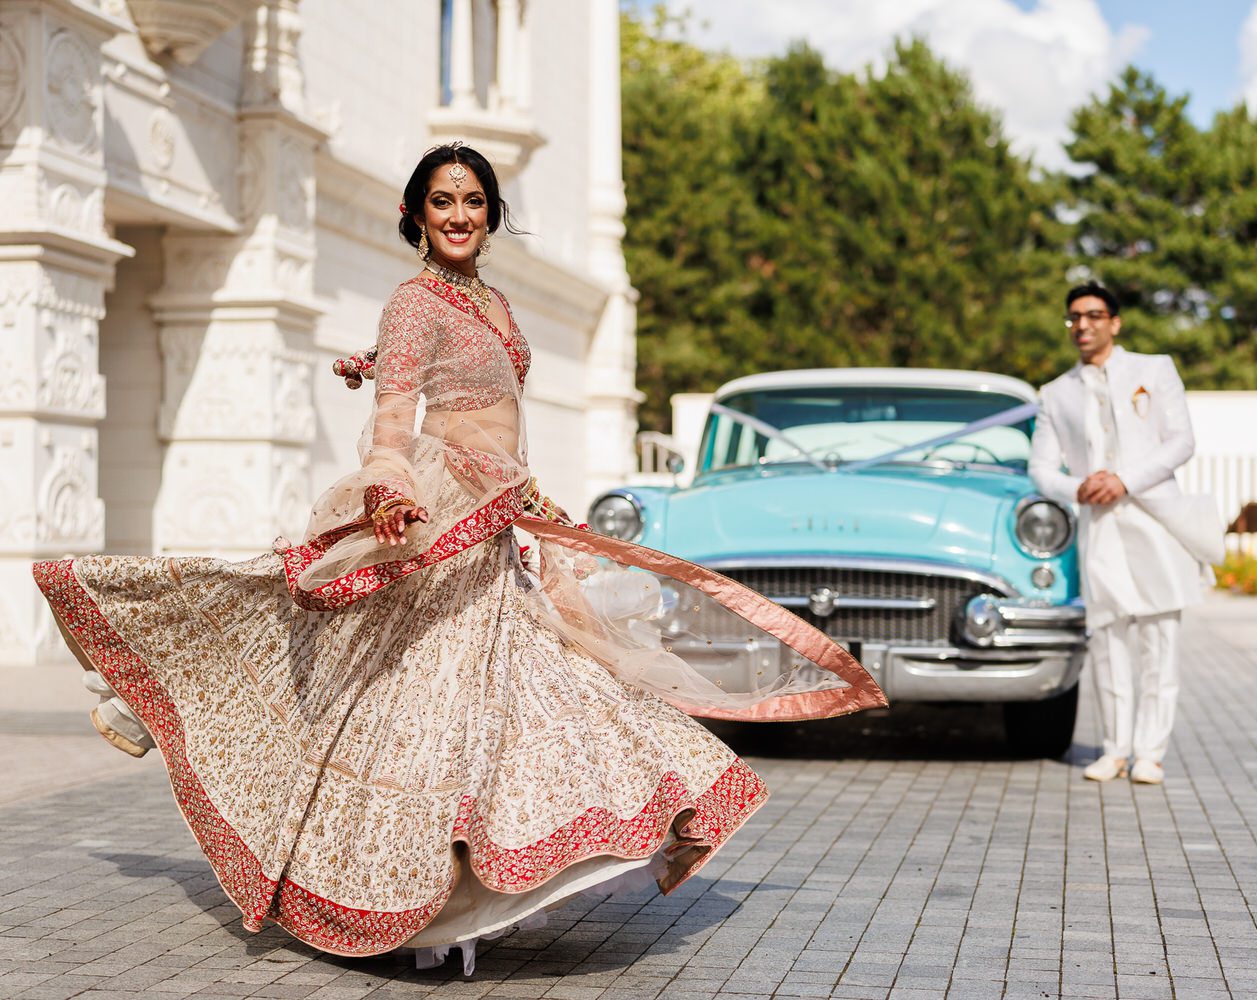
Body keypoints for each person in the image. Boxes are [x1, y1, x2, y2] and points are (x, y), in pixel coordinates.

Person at [34, 143, 883, 974]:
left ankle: (476, 893)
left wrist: (530, 497)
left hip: (496, 516)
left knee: (528, 698)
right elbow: (397, 416)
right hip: (435, 518)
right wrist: (389, 483)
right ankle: (410, 897)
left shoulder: (497, 304)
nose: (459, 215)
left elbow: (489, 416)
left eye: (473, 201)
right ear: (416, 214)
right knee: (404, 699)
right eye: (443, 201)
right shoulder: (412, 302)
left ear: (491, 214)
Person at [1028, 283, 1208, 785]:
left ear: (1115, 321)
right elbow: (1041, 468)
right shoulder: (1056, 393)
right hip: (1100, 526)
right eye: (1074, 319)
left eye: (1093, 315)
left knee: (1158, 638)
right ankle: (1114, 748)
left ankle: (1149, 751)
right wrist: (1078, 486)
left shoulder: (1155, 370)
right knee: (1106, 637)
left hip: (1155, 519)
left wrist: (1124, 479)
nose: (1082, 326)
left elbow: (1182, 441)